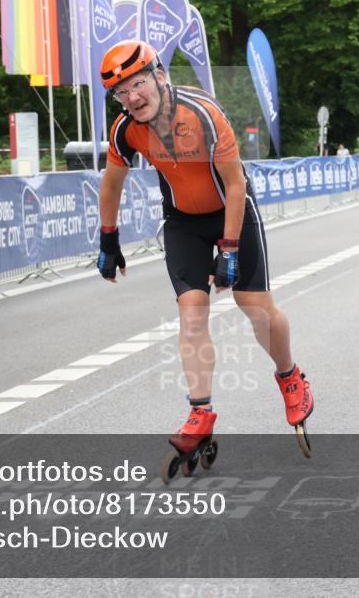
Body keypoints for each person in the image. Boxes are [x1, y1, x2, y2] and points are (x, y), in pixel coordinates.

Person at [95, 40, 314, 474]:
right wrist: (107, 239)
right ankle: (200, 410)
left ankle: (290, 376)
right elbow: (112, 185)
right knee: (191, 313)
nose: (132, 97)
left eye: (137, 84)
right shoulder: (126, 129)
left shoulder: (203, 114)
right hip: (183, 222)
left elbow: (235, 185)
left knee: (254, 306)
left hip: (232, 210)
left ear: (159, 75)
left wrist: (230, 250)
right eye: (122, 93)